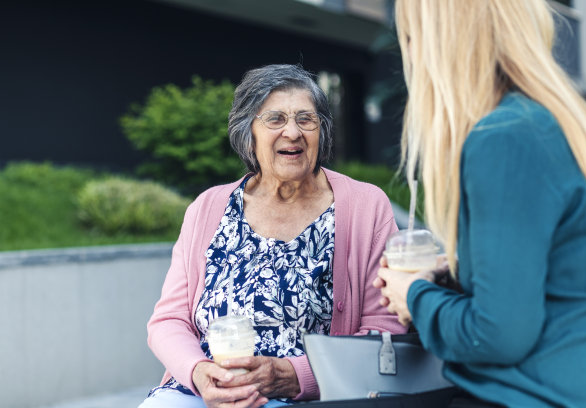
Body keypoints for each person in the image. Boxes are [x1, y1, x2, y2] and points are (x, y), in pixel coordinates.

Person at [374, 1, 586, 407]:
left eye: (411, 38)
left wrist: (415, 295)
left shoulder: (503, 138)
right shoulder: (553, 122)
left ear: (441, 42)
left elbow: (498, 334)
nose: (407, 54)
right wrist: (454, 279)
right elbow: (562, 278)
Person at [139, 64, 405, 408]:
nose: (292, 132)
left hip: (308, 396)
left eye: (306, 120)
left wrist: (297, 375)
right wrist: (200, 373)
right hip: (204, 392)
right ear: (249, 131)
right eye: (275, 119)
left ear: (321, 131)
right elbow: (168, 321)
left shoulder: (366, 206)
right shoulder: (208, 207)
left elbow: (384, 329)